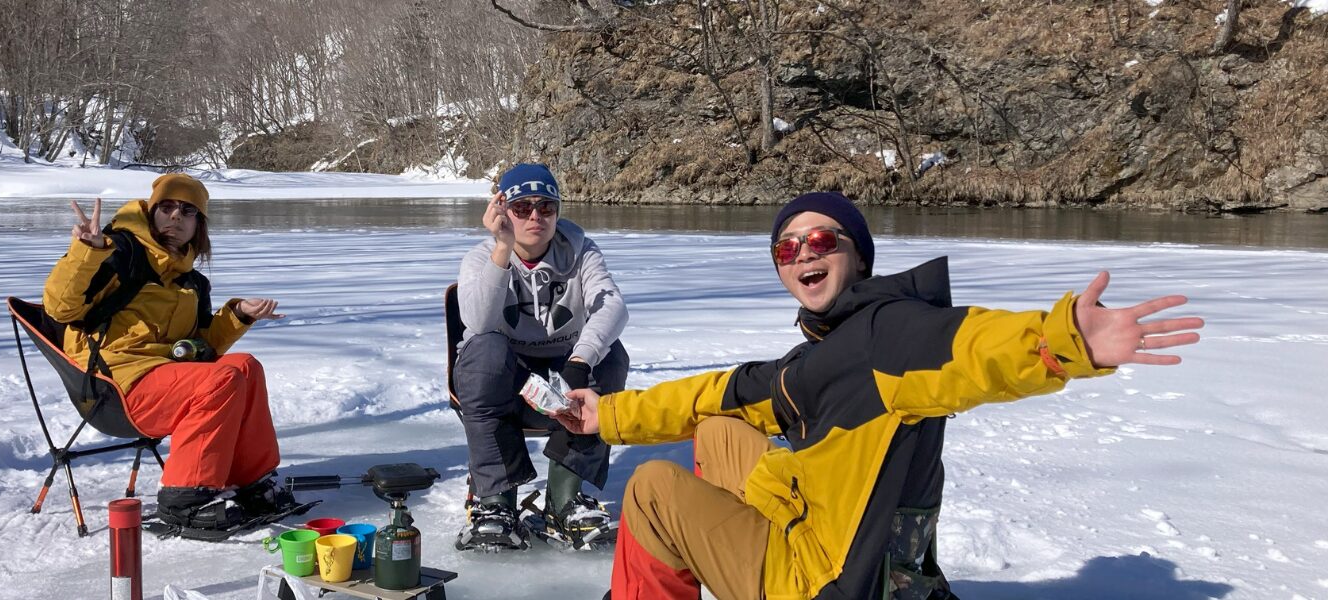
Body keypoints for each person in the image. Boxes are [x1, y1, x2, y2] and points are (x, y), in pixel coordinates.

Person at [555, 192, 1204, 599]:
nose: (802, 253)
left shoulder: (893, 337)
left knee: (651, 491)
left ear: (856, 255)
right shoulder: (826, 356)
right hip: (832, 537)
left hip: (824, 583)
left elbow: (975, 352)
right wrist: (607, 414)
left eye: (819, 240)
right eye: (787, 245)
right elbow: (722, 391)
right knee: (722, 427)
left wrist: (1064, 340)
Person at [43, 173, 297, 530]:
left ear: (199, 224)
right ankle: (185, 498)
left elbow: (201, 348)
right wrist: (88, 251)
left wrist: (238, 314)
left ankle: (249, 482)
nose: (176, 216)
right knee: (221, 379)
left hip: (163, 377)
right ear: (152, 211)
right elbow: (59, 309)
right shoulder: (118, 253)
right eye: (167, 206)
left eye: (188, 211)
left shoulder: (192, 282)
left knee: (245, 366)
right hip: (112, 385)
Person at [452, 162, 631, 551]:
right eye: (522, 208)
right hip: (505, 386)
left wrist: (580, 363)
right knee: (485, 350)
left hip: (566, 381)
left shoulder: (582, 251)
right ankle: (496, 503)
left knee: (612, 355)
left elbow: (612, 306)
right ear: (502, 210)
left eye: (547, 207)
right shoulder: (480, 257)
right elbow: (478, 322)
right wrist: (502, 248)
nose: (536, 216)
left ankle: (563, 500)